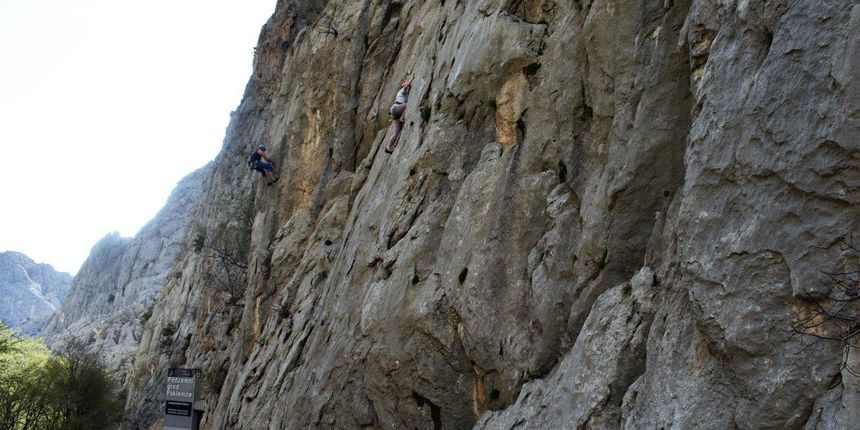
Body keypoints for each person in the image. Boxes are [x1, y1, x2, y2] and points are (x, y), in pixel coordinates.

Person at [384, 74, 414, 153]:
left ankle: (388, 147)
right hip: (396, 108)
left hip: (396, 113)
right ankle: (402, 118)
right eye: (408, 87)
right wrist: (412, 78)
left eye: (409, 88)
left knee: (397, 133)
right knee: (409, 104)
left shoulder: (407, 95)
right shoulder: (402, 92)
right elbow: (405, 86)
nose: (408, 88)